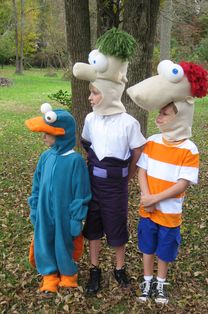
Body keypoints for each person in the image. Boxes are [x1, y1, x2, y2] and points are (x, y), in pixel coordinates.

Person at [127, 60, 208, 304]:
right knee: (147, 247)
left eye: (164, 113)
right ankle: (147, 280)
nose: (159, 117)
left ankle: (161, 283)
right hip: (148, 210)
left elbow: (182, 184)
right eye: (159, 112)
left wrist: (155, 199)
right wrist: (146, 197)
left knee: (164, 249)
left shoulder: (189, 149)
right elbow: (142, 170)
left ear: (180, 115)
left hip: (170, 212)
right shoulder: (152, 141)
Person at [73, 28, 146, 295]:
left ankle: (119, 267)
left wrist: (128, 174)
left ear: (109, 91)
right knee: (93, 227)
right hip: (93, 183)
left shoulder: (128, 122)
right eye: (90, 92)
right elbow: (88, 146)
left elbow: (137, 149)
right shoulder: (91, 119)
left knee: (116, 227)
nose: (90, 98)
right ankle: (94, 269)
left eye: (94, 93)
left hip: (116, 186)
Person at [25, 103, 91, 294]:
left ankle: (68, 275)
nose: (43, 137)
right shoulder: (45, 157)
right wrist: (35, 207)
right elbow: (37, 184)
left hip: (64, 213)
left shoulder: (75, 161)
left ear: (62, 133)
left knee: (64, 243)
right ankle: (49, 276)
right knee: (44, 241)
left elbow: (81, 193)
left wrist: (76, 218)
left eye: (47, 133)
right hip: (44, 211)